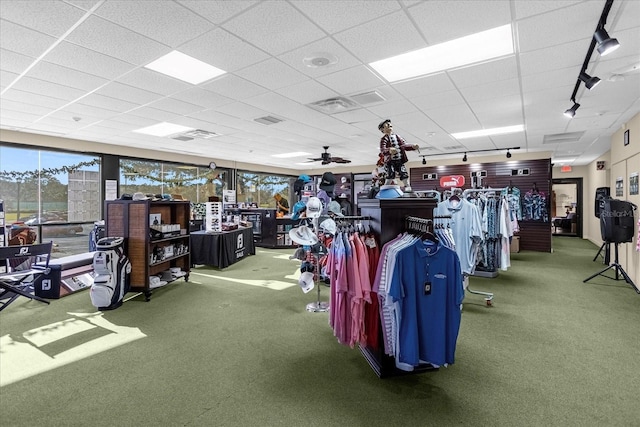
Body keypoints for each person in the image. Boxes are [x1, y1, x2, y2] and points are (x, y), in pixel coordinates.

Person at [378, 119, 419, 191]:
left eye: (390, 124)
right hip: (390, 161)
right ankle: (386, 187)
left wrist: (412, 146)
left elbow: (404, 145)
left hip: (400, 160)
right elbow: (383, 150)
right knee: (390, 174)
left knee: (403, 172)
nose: (389, 125)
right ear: (382, 129)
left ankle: (407, 186)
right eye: (386, 125)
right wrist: (389, 150)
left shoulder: (398, 137)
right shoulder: (384, 139)